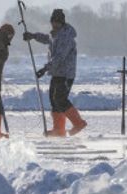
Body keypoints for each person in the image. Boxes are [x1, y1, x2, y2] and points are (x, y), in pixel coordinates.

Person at [24, 9, 87, 137]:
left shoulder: (66, 37)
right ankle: (59, 130)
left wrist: (44, 69)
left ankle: (78, 123)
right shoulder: (56, 34)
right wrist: (33, 36)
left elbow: (59, 57)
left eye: (57, 22)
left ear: (62, 22)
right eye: (53, 22)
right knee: (54, 100)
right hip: (56, 73)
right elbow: (47, 39)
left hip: (66, 74)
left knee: (60, 99)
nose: (54, 25)